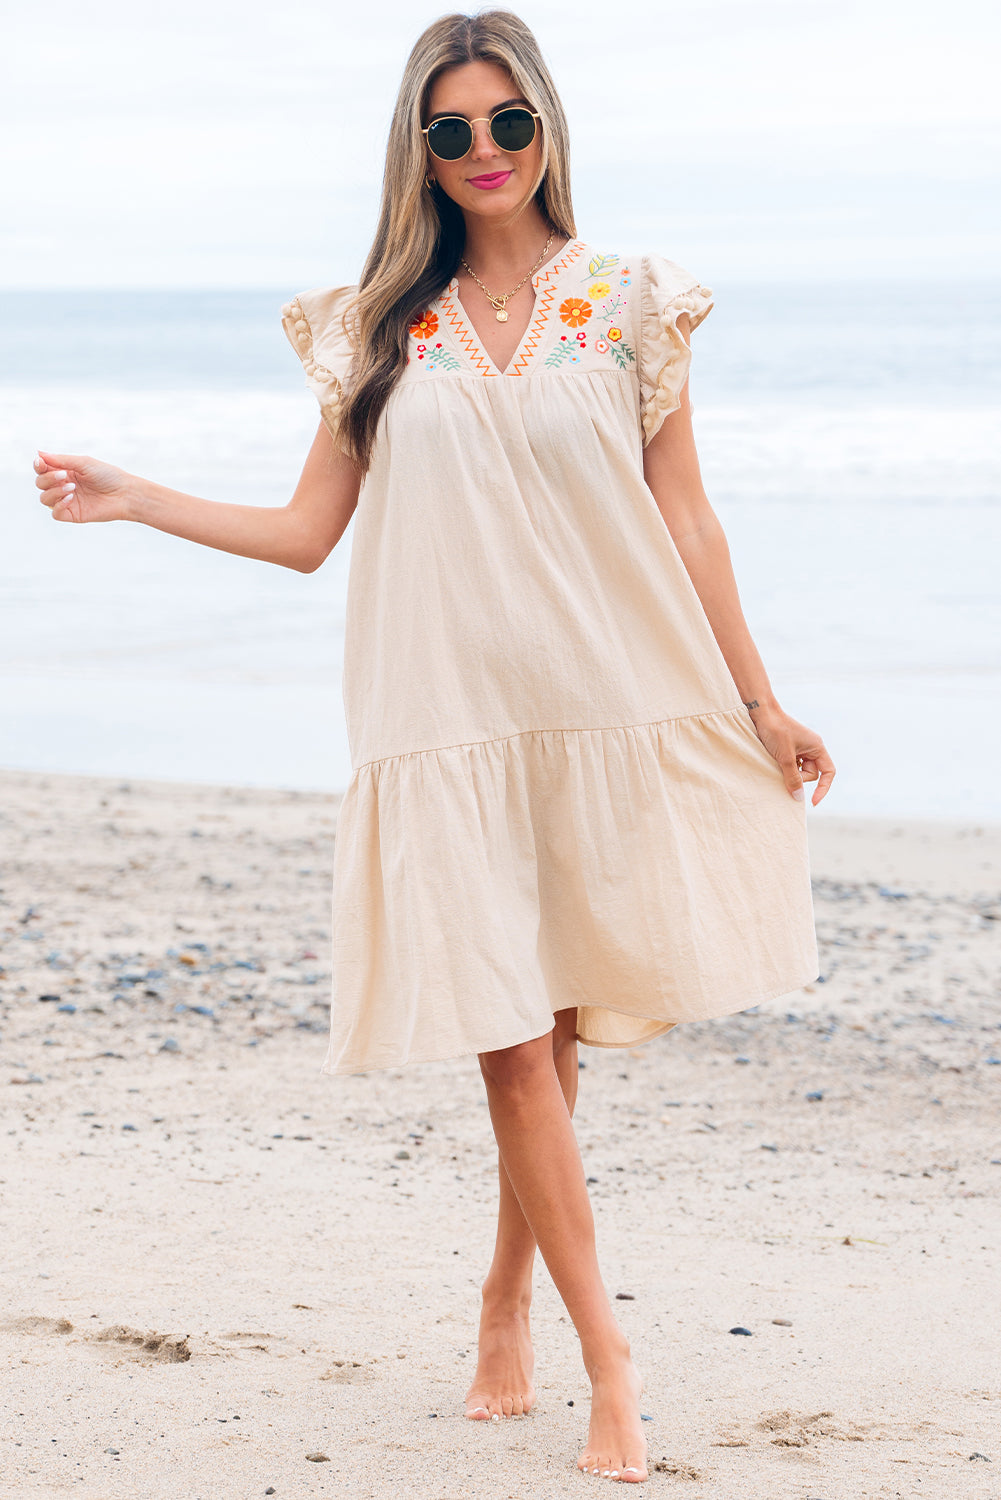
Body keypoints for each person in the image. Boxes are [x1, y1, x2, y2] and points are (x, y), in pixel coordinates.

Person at [33, 8, 836, 1484]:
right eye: (450, 129)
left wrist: (759, 702)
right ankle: (611, 1367)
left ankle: (504, 1298)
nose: (483, 151)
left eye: (507, 122)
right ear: (418, 147)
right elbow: (307, 534)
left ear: (547, 129)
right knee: (509, 1048)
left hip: (605, 704)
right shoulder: (373, 327)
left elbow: (686, 515)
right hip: (443, 722)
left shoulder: (632, 301)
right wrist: (138, 498)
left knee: (562, 1028)